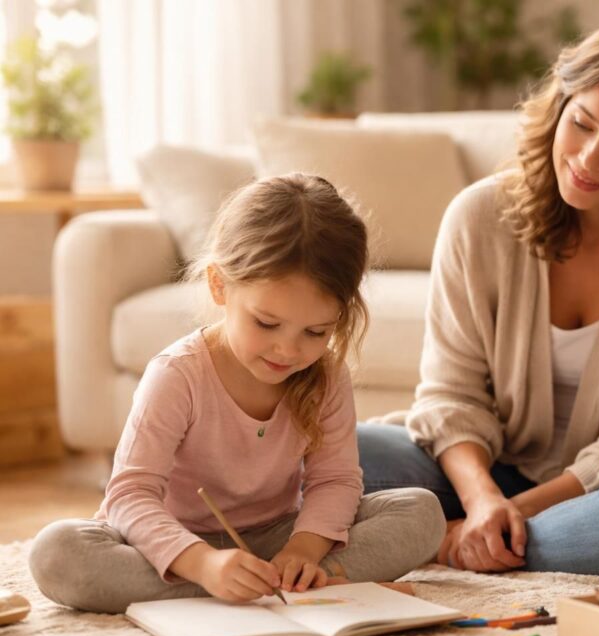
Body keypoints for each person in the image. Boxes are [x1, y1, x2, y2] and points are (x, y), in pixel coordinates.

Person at [358, 19, 599, 576]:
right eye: (581, 124)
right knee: (338, 453)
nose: (588, 160)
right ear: (560, 104)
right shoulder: (479, 216)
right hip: (480, 474)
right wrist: (485, 499)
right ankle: (484, 540)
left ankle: (438, 542)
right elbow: (450, 393)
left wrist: (507, 515)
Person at [29, 174, 445, 613]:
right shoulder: (177, 375)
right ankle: (273, 590)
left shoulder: (326, 377)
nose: (288, 350)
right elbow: (130, 495)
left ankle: (268, 583)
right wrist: (203, 564)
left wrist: (304, 550)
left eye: (316, 331)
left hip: (279, 535)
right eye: (266, 324)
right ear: (219, 285)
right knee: (57, 553)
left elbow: (335, 480)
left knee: (421, 512)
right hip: (172, 543)